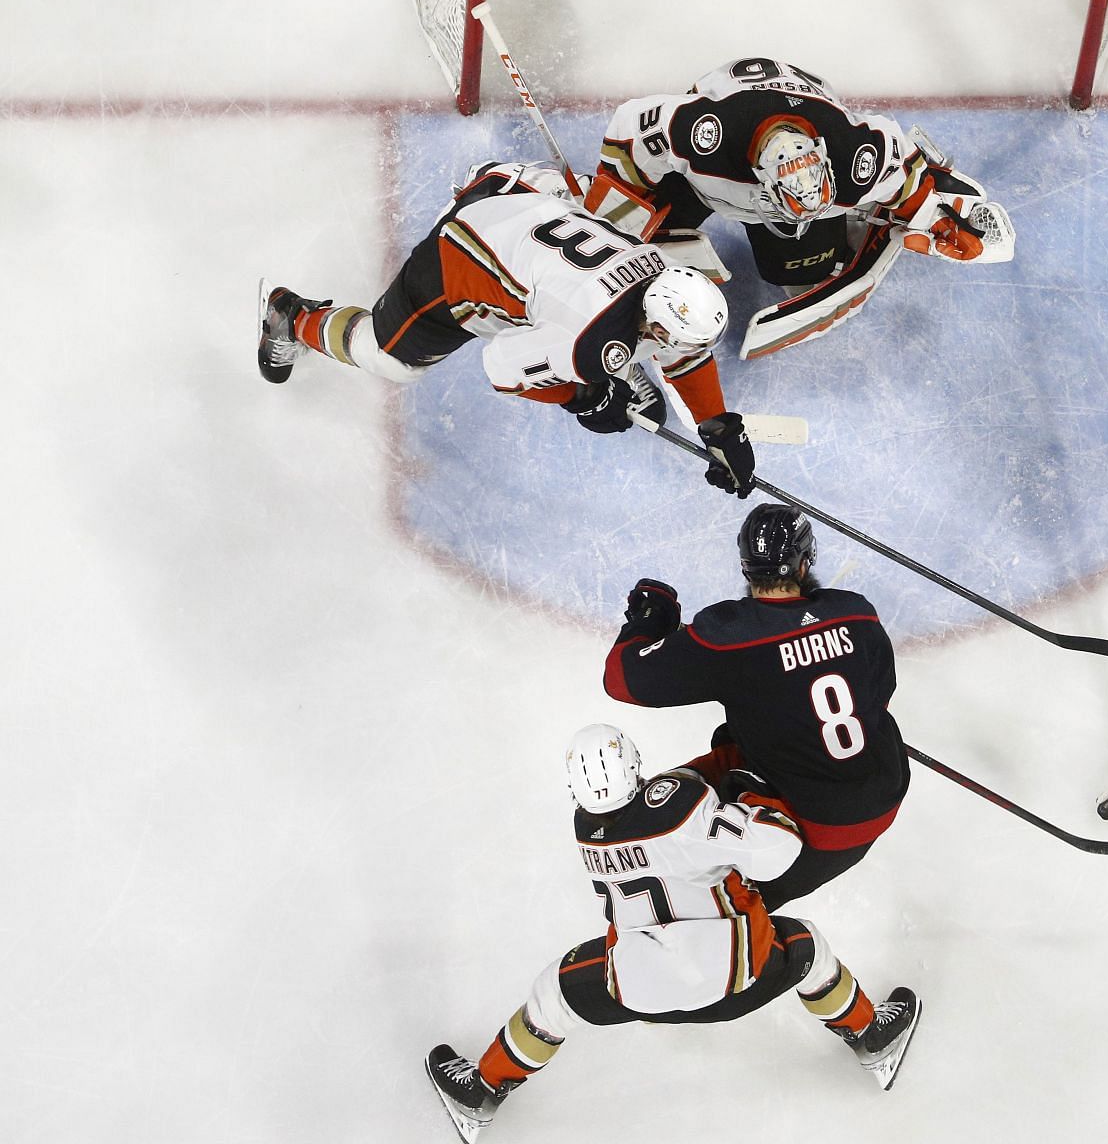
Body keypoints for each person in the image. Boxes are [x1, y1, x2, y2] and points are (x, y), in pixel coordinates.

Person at [425, 724, 920, 1139]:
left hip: (639, 994)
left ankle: (483, 1091)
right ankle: (868, 1035)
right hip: (738, 979)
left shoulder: (585, 829)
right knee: (805, 944)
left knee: (555, 991)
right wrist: (746, 792)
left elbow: (652, 815)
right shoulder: (683, 810)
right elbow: (779, 851)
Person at [256, 160, 755, 496]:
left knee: (583, 338)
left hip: (525, 198)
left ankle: (491, 179)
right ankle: (293, 318)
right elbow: (502, 367)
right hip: (461, 255)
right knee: (392, 360)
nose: (685, 351)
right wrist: (581, 398)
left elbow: (682, 353)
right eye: (675, 343)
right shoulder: (590, 338)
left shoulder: (660, 271)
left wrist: (717, 424)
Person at [585, 57, 1014, 361]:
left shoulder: (855, 154)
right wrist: (614, 213)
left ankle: (829, 230)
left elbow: (904, 175)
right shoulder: (701, 136)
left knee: (794, 269)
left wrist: (936, 219)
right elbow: (629, 128)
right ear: (757, 173)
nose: (796, 222)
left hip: (807, 104)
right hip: (717, 140)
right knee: (646, 239)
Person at [602, 503, 907, 910]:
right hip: (886, 793)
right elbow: (880, 694)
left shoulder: (726, 637)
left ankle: (781, 960)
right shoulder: (857, 613)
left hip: (816, 830)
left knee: (705, 910)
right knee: (739, 738)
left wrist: (650, 616)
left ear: (746, 568)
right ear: (803, 565)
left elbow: (620, 679)